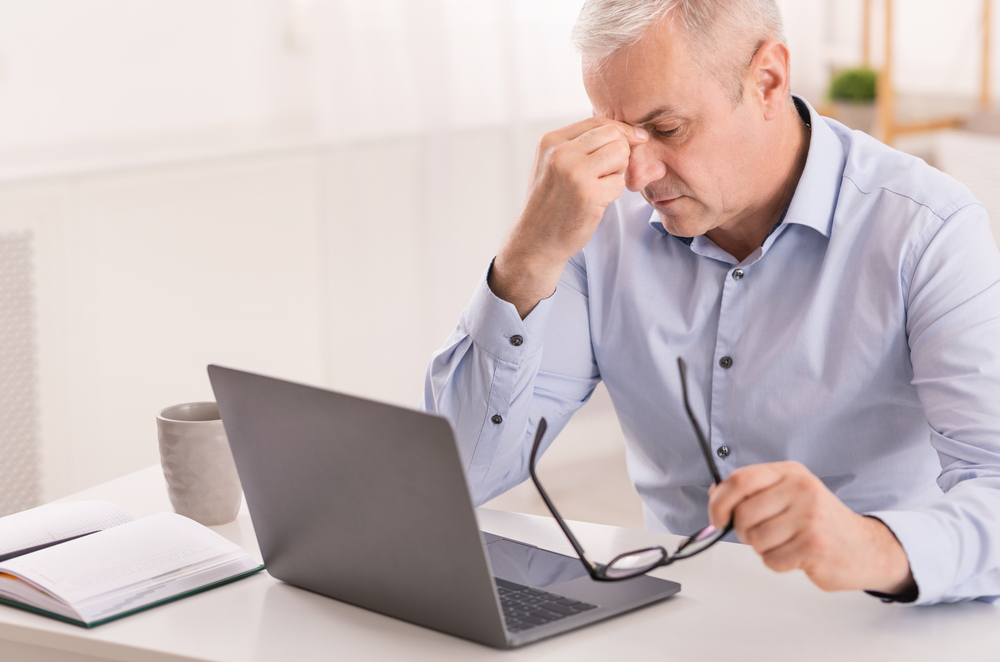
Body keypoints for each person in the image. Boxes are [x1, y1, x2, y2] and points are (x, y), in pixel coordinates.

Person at [421, 0, 1000, 605]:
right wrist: (525, 260)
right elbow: (457, 477)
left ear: (768, 81)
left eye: (667, 129)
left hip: (874, 622)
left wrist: (868, 546)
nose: (638, 176)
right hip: (677, 618)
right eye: (615, 135)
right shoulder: (595, 226)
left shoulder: (928, 230)